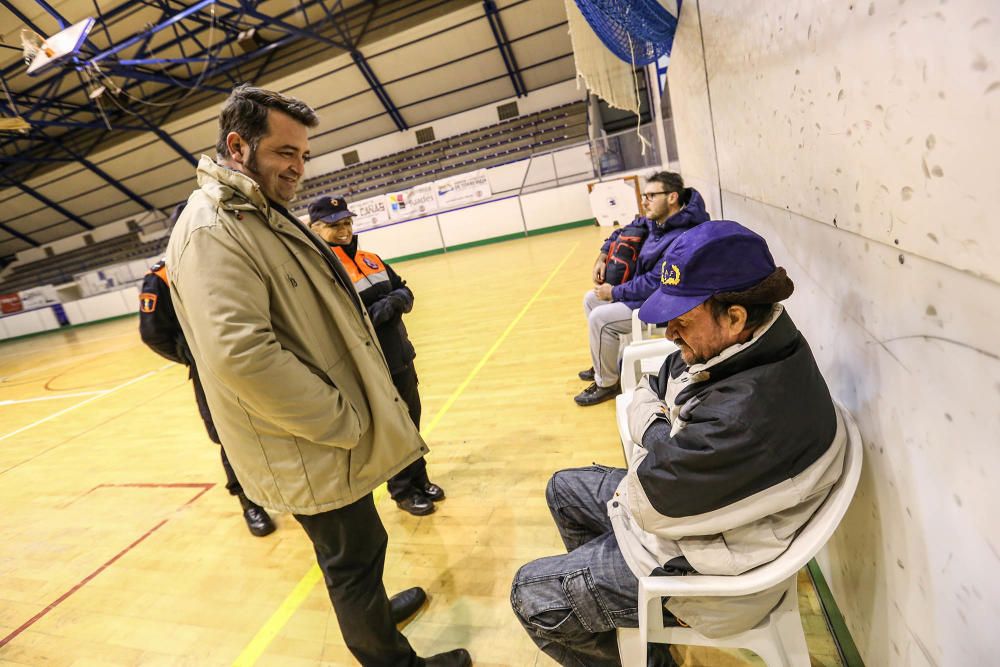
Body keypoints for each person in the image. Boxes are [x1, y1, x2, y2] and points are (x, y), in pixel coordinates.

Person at [165, 84, 470, 667]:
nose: (298, 168)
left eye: (303, 155)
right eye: (285, 153)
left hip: (319, 436)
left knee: (365, 544)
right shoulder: (213, 229)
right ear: (238, 145)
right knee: (351, 561)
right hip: (305, 439)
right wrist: (340, 418)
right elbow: (240, 354)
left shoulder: (258, 213)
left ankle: (376, 620)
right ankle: (389, 657)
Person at [512, 221, 848, 665]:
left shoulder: (744, 418)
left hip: (707, 576)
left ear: (734, 317)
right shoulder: (754, 343)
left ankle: (647, 645)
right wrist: (666, 436)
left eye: (682, 320)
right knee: (563, 489)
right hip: (700, 524)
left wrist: (657, 431)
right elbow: (656, 382)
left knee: (530, 594)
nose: (670, 332)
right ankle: (632, 629)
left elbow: (645, 499)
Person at [307, 195, 445, 516]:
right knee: (390, 430)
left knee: (411, 420)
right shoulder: (323, 271)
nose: (344, 230)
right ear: (315, 229)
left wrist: (395, 301)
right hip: (371, 367)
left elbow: (404, 290)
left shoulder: (371, 259)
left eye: (347, 222)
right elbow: (342, 321)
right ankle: (402, 491)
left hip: (400, 356)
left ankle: (420, 479)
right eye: (334, 225)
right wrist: (379, 310)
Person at [139, 239, 275, 537]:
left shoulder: (227, 258)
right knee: (229, 435)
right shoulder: (160, 277)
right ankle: (249, 502)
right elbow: (152, 333)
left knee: (273, 421)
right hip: (210, 373)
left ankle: (281, 488)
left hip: (255, 358)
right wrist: (190, 355)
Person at [576, 172, 709, 407]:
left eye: (651, 195)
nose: (644, 201)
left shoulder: (681, 235)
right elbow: (623, 231)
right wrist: (603, 254)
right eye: (643, 195)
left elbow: (655, 282)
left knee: (600, 318)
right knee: (590, 299)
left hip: (661, 304)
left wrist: (615, 292)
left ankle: (606, 383)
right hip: (640, 296)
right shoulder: (656, 222)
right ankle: (602, 363)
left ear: (672, 197)